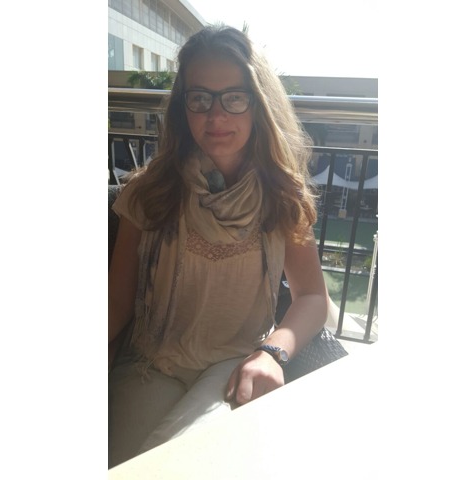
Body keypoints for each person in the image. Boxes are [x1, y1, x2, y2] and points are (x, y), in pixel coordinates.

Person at [108, 24, 327, 468]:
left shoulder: (282, 196)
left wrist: (273, 352)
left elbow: (312, 297)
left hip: (233, 361)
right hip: (152, 362)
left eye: (234, 97)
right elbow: (116, 302)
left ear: (258, 103)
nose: (216, 115)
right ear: (183, 106)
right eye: (200, 98)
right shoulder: (148, 192)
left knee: (179, 464)